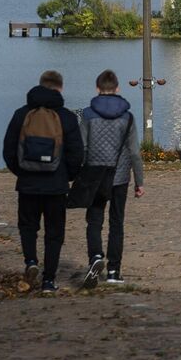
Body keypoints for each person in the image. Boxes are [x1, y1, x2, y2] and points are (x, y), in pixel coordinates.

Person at [2, 69, 84, 293]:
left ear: (39, 85)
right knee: (54, 233)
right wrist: (67, 176)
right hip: (56, 186)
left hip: (28, 184)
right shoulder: (67, 117)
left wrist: (21, 172)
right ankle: (49, 280)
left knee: (28, 227)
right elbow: (77, 153)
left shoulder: (22, 114)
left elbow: (8, 150)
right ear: (61, 88)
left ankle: (31, 262)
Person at [78, 68, 144, 287]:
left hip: (96, 175)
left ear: (98, 89)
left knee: (94, 220)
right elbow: (134, 152)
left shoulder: (87, 115)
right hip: (120, 176)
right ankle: (114, 271)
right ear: (117, 89)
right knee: (117, 222)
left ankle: (96, 258)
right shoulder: (128, 117)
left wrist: (81, 172)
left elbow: (82, 148)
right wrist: (139, 181)